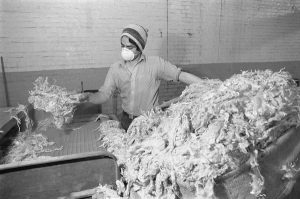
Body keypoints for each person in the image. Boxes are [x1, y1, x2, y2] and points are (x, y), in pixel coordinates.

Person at [82, 24, 203, 130]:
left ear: (140, 47)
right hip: (126, 120)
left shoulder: (155, 64)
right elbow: (104, 94)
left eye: (129, 47)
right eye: (122, 46)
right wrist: (88, 97)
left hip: (149, 121)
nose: (125, 50)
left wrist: (209, 85)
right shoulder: (115, 68)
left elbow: (181, 75)